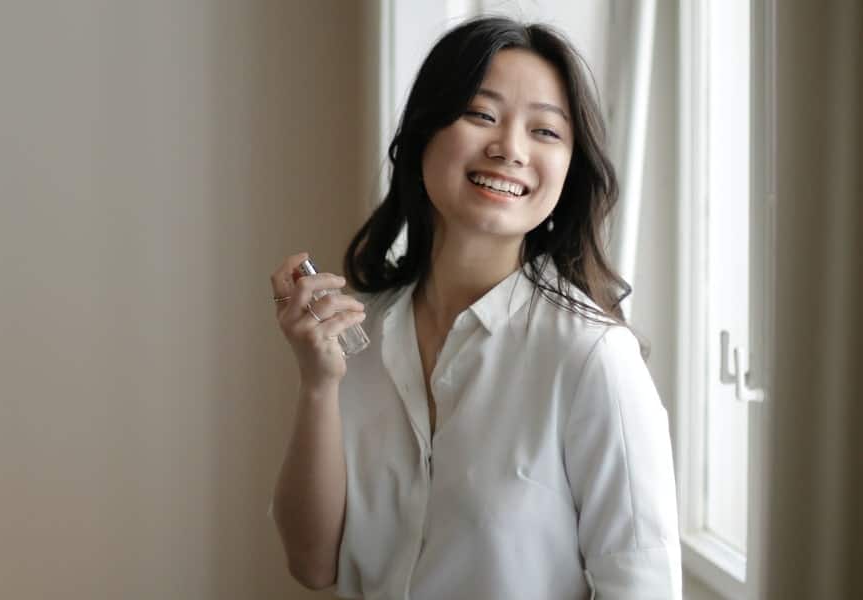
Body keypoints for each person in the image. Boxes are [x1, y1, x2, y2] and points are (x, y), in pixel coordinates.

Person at [270, 16, 681, 599]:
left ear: (570, 168)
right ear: (422, 135)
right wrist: (317, 384)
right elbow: (313, 564)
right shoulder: (358, 336)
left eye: (545, 131)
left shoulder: (594, 358)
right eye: (482, 115)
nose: (509, 149)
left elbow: (642, 588)